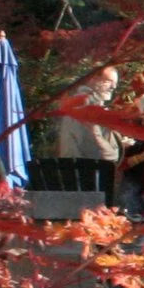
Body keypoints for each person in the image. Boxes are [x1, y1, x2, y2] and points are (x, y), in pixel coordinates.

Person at [53, 67, 123, 203]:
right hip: (88, 181)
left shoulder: (76, 103)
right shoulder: (89, 107)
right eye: (109, 81)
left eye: (116, 84)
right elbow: (103, 153)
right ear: (93, 79)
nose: (113, 87)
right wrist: (114, 148)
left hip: (74, 175)